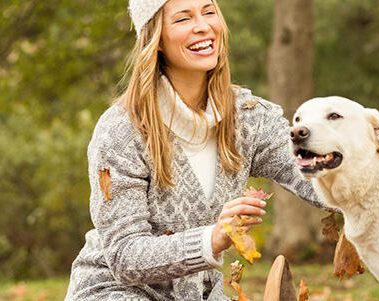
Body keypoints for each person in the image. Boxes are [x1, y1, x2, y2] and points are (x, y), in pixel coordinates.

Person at [64, 0, 329, 299]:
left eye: (208, 11)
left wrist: (369, 185)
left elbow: (311, 172)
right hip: (115, 292)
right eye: (183, 19)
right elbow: (125, 255)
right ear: (156, 38)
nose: (203, 26)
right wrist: (212, 238)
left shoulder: (249, 117)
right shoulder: (122, 131)